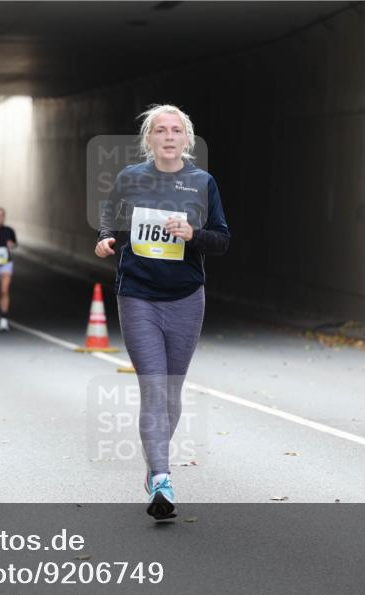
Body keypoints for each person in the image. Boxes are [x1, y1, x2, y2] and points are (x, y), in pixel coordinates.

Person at [95, 104, 230, 520]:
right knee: (154, 387)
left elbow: (222, 240)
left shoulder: (202, 182)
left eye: (176, 130)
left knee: (171, 391)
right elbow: (109, 216)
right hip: (137, 295)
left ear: (186, 140)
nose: (168, 136)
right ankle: (161, 477)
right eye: (160, 130)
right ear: (149, 139)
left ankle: (155, 467)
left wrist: (193, 234)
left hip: (187, 297)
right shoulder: (129, 178)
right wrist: (104, 240)